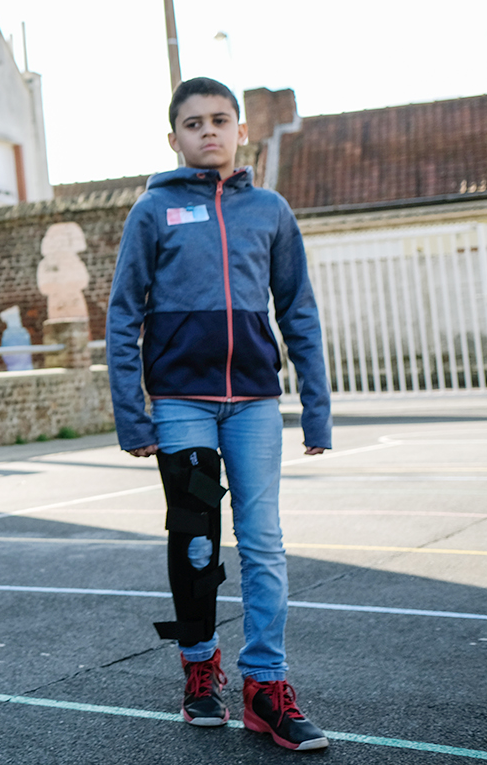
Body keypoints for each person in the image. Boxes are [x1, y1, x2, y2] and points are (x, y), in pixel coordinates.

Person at [106, 77, 331, 752]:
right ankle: (200, 667)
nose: (209, 131)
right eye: (194, 122)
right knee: (198, 538)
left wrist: (315, 410)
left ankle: (266, 686)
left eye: (221, 120)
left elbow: (298, 311)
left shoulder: (269, 211)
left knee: (263, 542)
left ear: (240, 131)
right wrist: (133, 417)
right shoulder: (153, 212)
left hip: (255, 406)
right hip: (183, 407)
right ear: (173, 137)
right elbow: (123, 318)